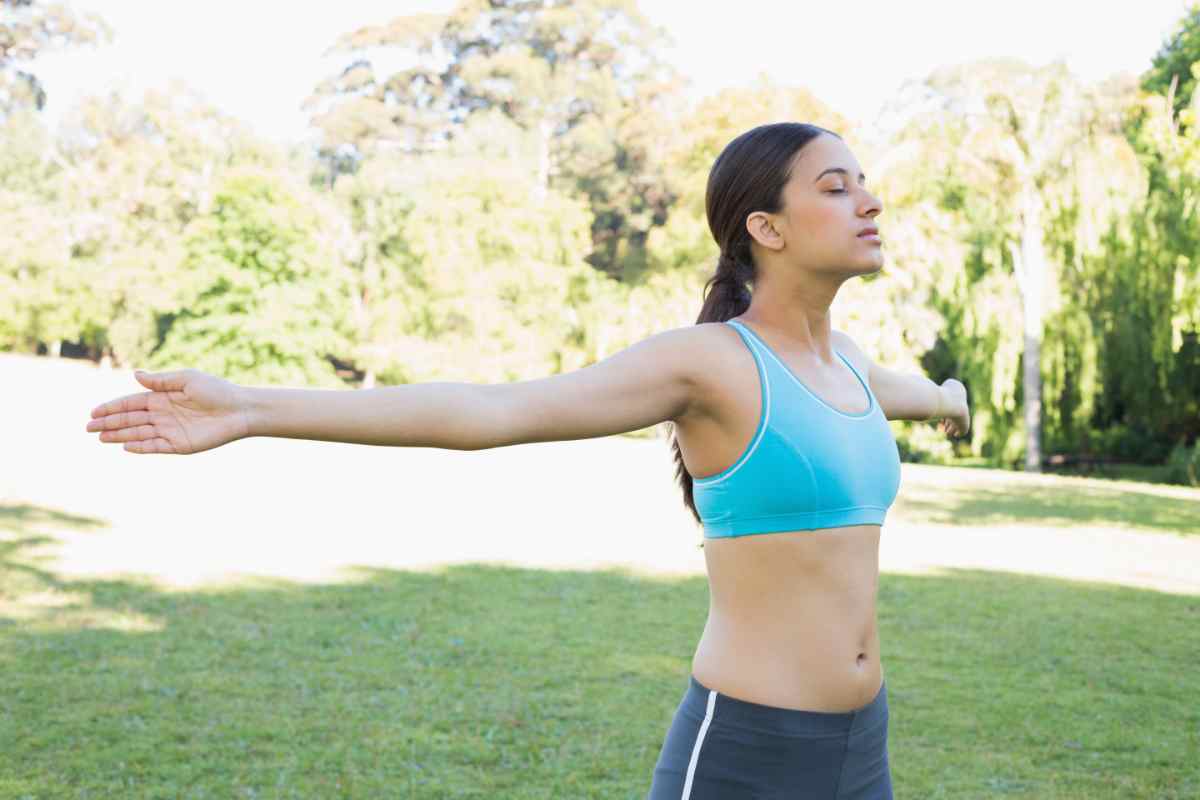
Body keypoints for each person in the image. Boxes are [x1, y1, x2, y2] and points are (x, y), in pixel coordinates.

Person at [85, 121, 970, 799]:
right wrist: (251, 407)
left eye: (866, 186)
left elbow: (921, 397)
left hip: (864, 746)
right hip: (746, 749)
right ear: (766, 228)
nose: (870, 202)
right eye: (837, 187)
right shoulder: (708, 364)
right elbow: (492, 410)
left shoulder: (848, 362)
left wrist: (954, 402)